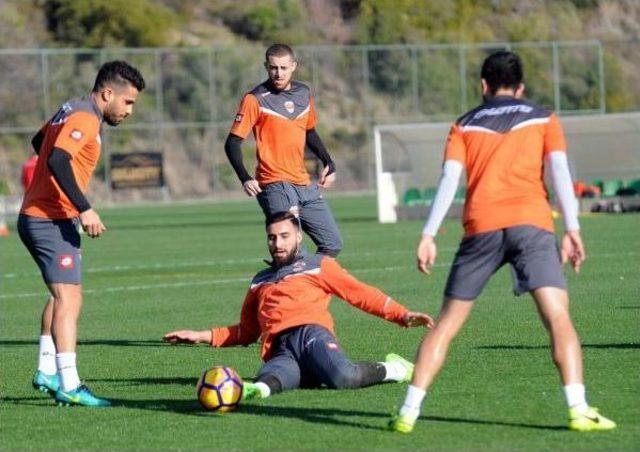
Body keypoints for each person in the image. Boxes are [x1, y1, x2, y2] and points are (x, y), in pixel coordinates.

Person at [388, 51, 616, 433]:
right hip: (532, 224)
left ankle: (408, 412)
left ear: (483, 86)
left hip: (481, 228)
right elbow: (560, 171)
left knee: (445, 325)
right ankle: (578, 409)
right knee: (558, 318)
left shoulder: (463, 125)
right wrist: (572, 228)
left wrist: (428, 233)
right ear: (521, 87)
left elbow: (449, 180)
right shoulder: (544, 117)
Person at [164, 211, 435, 400]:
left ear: (298, 237)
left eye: (284, 236)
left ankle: (395, 368)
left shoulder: (319, 266)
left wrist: (402, 314)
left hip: (311, 335)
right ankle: (249, 390)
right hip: (280, 350)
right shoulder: (260, 281)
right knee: (266, 384)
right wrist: (200, 336)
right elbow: (246, 332)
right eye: (272, 237)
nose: (277, 243)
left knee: (343, 378)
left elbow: (361, 294)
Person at [18, 61, 145, 407]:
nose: (129, 110)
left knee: (70, 296)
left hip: (48, 215)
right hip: (49, 219)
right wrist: (85, 207)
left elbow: (38, 140)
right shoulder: (86, 117)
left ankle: (47, 369)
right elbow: (57, 160)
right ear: (107, 94)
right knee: (67, 300)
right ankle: (70, 384)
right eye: (128, 102)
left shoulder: (71, 108)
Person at [224, 43, 343, 257]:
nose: (278, 73)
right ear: (266, 67)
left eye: (283, 68)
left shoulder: (304, 93)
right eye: (273, 68)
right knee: (290, 250)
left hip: (303, 183)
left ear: (293, 66)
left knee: (332, 244)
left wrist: (328, 162)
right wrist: (244, 177)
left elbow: (310, 132)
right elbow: (232, 142)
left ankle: (310, 287)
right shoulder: (255, 99)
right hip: (274, 183)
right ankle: (284, 287)